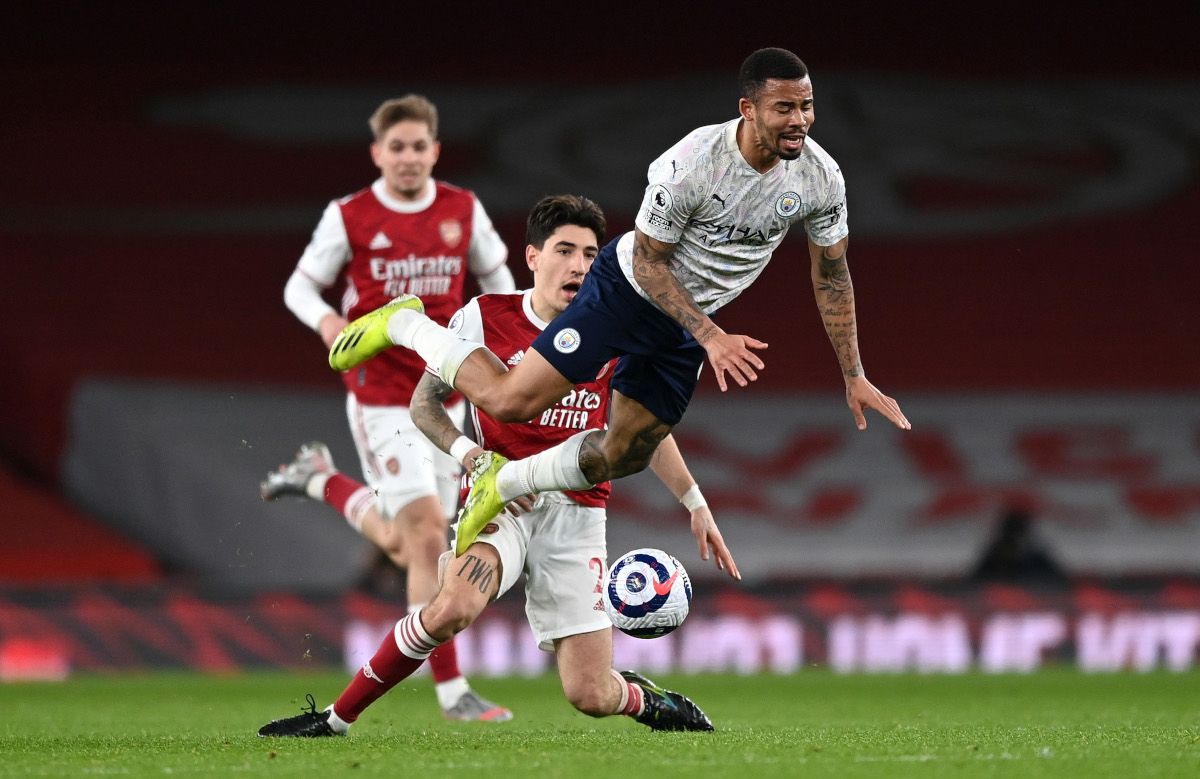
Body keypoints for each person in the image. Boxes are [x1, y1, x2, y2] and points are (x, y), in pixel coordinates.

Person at [328, 48, 911, 558]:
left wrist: (854, 373)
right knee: (510, 401)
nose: (800, 121)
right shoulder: (690, 165)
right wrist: (709, 335)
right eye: (785, 108)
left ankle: (500, 485)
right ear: (748, 109)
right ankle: (405, 323)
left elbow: (832, 273)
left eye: (807, 106)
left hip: (686, 323)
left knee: (628, 452)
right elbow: (650, 262)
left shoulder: (819, 178)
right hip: (627, 292)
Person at [258, 194, 738, 737]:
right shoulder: (487, 317)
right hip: (500, 500)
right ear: (532, 257)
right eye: (564, 250)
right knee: (450, 610)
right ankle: (334, 719)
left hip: (577, 516)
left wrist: (694, 502)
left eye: (589, 253)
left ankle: (647, 701)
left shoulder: (616, 330)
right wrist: (471, 455)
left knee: (592, 694)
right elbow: (424, 404)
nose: (578, 265)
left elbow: (641, 434)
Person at [261, 94, 516, 721]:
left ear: (435, 151)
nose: (407, 158)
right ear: (378, 154)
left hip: (445, 393)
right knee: (431, 536)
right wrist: (326, 323)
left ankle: (321, 479)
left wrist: (506, 337)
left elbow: (499, 273)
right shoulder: (350, 214)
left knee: (412, 545)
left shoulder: (462, 209)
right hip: (381, 398)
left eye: (418, 146)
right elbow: (299, 284)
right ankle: (453, 692)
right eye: (395, 147)